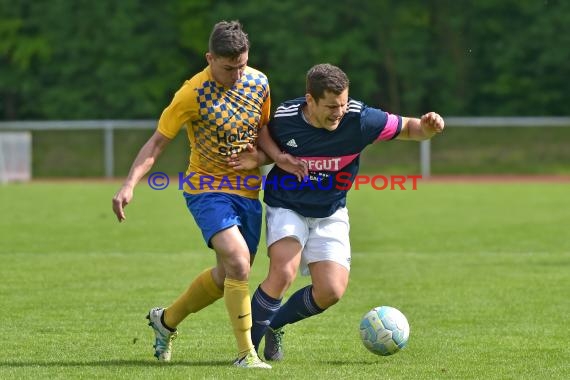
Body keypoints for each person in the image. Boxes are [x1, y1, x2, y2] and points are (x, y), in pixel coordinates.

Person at [111, 20, 305, 369]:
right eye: (229, 68)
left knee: (225, 276)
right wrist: (129, 184)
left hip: (247, 191)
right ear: (209, 58)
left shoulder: (259, 83)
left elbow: (262, 131)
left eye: (242, 66)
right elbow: (157, 142)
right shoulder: (191, 94)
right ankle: (247, 354)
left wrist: (276, 158)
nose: (236, 74)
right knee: (238, 260)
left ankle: (165, 321)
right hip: (206, 188)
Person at [229, 63, 445, 361]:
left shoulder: (361, 119)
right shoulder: (287, 117)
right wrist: (277, 156)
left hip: (330, 210)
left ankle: (274, 326)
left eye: (342, 104)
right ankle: (246, 354)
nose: (338, 112)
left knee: (330, 290)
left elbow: (411, 128)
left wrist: (428, 128)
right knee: (283, 271)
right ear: (310, 100)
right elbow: (265, 132)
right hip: (287, 204)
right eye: (331, 106)